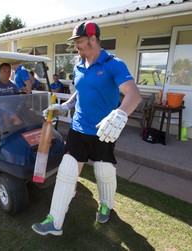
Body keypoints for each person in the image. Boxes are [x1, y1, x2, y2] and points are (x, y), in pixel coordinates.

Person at [31, 21, 141, 236]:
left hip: (103, 131)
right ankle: (54, 221)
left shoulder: (113, 64)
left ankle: (106, 205)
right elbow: (80, 91)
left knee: (104, 172)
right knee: (67, 171)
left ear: (93, 39)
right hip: (78, 128)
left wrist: (120, 113)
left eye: (79, 42)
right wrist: (66, 106)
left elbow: (133, 94)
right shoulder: (79, 64)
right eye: (75, 43)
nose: (76, 47)